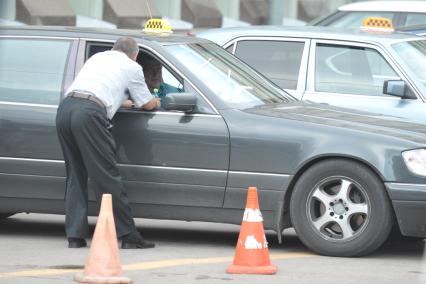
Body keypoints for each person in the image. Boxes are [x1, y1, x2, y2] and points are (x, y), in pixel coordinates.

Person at [56, 37, 159, 249]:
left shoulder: (97, 58)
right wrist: (157, 100)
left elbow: (95, 88)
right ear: (135, 55)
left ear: (113, 49)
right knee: (107, 176)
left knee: (75, 174)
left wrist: (119, 101)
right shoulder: (132, 66)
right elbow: (147, 104)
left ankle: (75, 236)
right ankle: (128, 235)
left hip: (66, 109)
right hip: (89, 115)